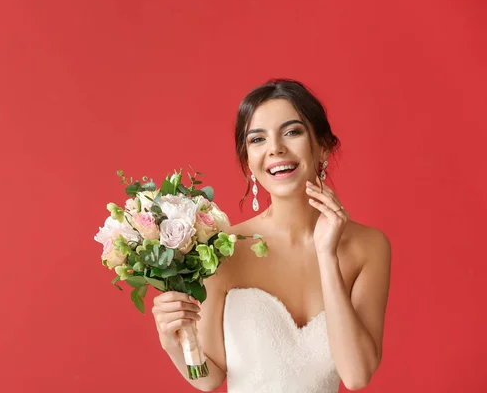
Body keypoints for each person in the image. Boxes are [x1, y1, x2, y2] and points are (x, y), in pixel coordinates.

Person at [151, 79, 391, 392]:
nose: (275, 148)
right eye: (257, 139)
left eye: (292, 132)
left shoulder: (369, 247)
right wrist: (173, 340)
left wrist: (326, 255)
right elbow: (209, 377)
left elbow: (356, 376)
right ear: (248, 161)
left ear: (323, 146)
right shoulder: (222, 250)